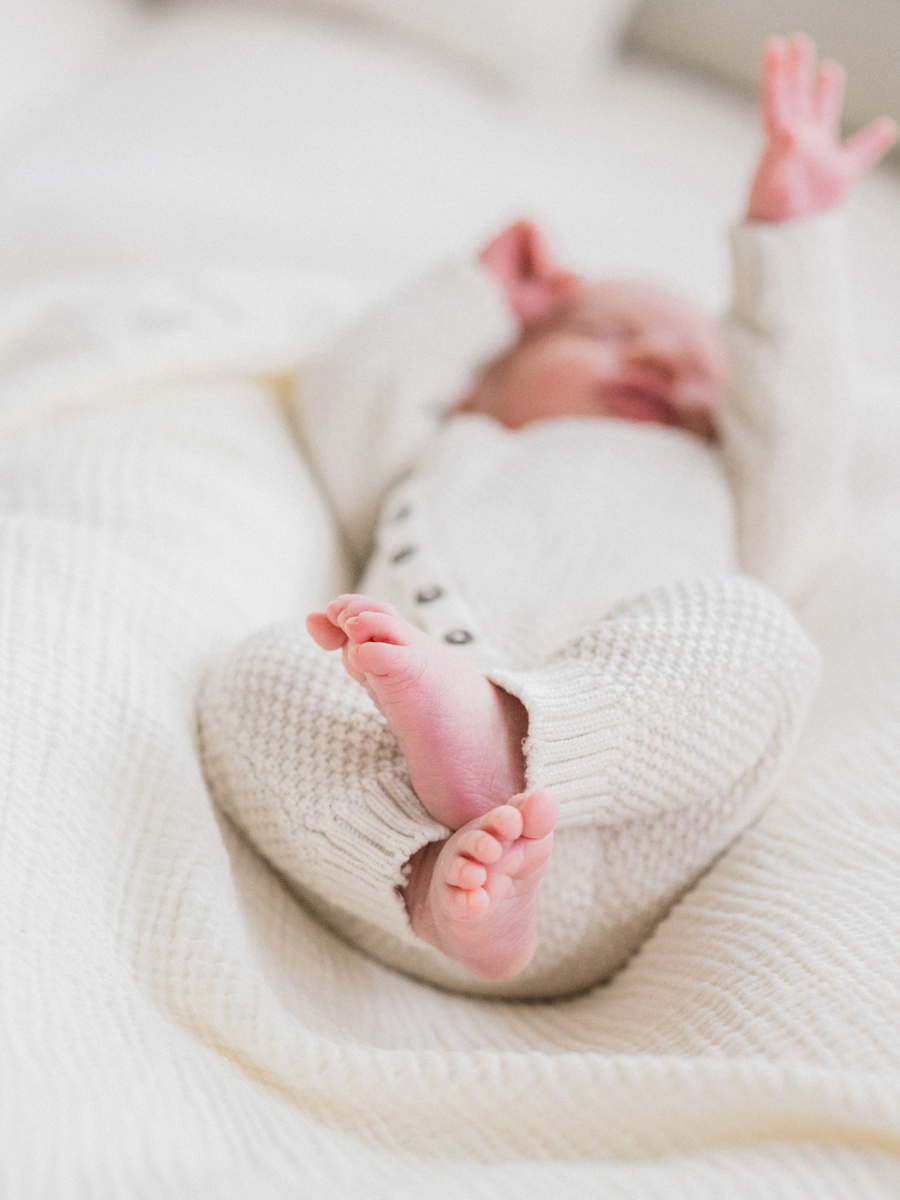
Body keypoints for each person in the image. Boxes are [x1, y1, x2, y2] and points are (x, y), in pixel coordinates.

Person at [198, 37, 897, 999]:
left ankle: (507, 733)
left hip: (609, 847)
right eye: (610, 334)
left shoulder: (734, 491)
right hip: (382, 843)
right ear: (489, 372)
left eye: (706, 374)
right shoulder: (454, 443)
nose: (663, 363)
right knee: (255, 676)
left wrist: (790, 234)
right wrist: (476, 291)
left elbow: (802, 418)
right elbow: (348, 398)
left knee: (760, 635)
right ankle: (442, 896)